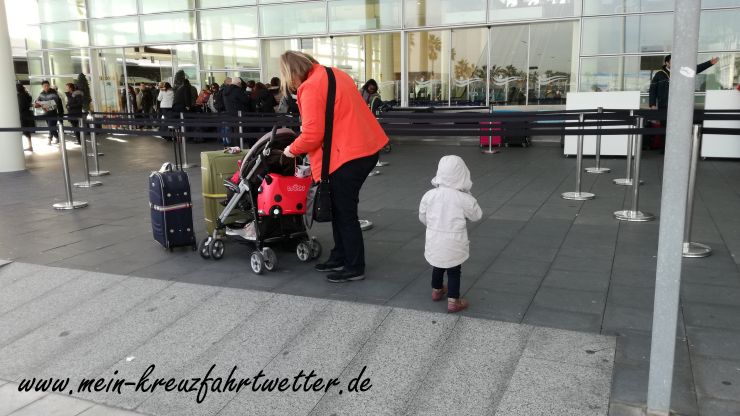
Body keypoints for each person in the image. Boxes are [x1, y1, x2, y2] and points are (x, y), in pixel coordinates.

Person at [280, 51, 389, 283]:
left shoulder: (309, 87)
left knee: (345, 213)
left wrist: (291, 150)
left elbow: (311, 135)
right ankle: (340, 255)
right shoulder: (334, 74)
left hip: (346, 156)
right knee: (342, 208)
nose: (289, 83)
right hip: (366, 148)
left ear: (292, 73)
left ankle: (354, 265)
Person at [418, 155, 482, 313]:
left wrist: (433, 225)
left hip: (434, 239)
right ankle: (454, 300)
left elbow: (422, 216)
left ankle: (436, 290)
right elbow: (477, 215)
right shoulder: (463, 198)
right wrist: (469, 194)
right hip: (454, 241)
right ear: (463, 174)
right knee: (454, 270)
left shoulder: (429, 195)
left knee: (437, 265)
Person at [649, 54, 719, 109]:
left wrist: (709, 63)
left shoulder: (681, 71)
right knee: (664, 126)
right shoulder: (659, 74)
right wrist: (652, 104)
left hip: (678, 106)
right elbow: (653, 90)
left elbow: (695, 69)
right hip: (664, 106)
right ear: (667, 63)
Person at [34, 80, 63, 145]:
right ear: (42, 87)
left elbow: (56, 103)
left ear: (49, 85)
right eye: (44, 86)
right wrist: (37, 103)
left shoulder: (54, 93)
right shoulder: (41, 94)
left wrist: (46, 105)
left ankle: (50, 138)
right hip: (46, 113)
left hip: (53, 113)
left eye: (47, 86)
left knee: (51, 126)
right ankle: (57, 137)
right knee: (51, 126)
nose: (46, 87)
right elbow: (37, 101)